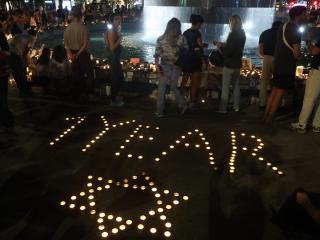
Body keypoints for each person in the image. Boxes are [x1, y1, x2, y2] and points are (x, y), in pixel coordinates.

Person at [263, 6, 307, 123]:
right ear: (298, 16)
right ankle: (269, 119)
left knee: (274, 90)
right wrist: (300, 55)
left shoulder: (283, 26)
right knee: (280, 92)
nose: (306, 16)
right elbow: (296, 53)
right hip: (287, 66)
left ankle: (265, 116)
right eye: (304, 14)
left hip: (277, 64)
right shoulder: (295, 30)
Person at [154, 18, 188, 117]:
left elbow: (156, 55)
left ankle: (159, 112)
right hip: (177, 66)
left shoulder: (160, 39)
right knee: (173, 87)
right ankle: (182, 105)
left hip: (164, 66)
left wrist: (157, 68)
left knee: (162, 89)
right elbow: (186, 51)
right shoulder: (182, 38)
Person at [214, 15, 246, 113]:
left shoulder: (233, 34)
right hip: (237, 63)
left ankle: (222, 109)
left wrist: (220, 47)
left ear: (232, 23)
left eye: (230, 22)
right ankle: (236, 107)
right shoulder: (242, 34)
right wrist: (225, 44)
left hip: (229, 64)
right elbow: (235, 47)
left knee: (225, 87)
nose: (229, 24)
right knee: (236, 86)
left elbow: (228, 52)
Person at [291, 30, 320, 133]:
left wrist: (308, 40)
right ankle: (317, 125)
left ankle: (301, 124)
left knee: (309, 98)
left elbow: (313, 51)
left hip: (318, 71)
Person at [64, 6, 95, 102]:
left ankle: (77, 94)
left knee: (77, 74)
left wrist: (71, 55)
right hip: (82, 54)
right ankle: (88, 93)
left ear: (73, 16)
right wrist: (77, 54)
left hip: (72, 54)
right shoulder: (83, 28)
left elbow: (66, 45)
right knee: (89, 73)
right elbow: (85, 44)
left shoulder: (67, 28)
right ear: (81, 16)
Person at [180, 14, 206, 109]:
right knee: (194, 83)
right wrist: (203, 60)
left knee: (184, 81)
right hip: (195, 60)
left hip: (186, 59)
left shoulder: (185, 33)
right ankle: (192, 102)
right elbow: (199, 47)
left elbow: (182, 47)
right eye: (201, 24)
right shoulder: (198, 33)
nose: (201, 26)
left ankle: (180, 100)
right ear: (198, 23)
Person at [258, 21, 282, 110]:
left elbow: (260, 50)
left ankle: (262, 104)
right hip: (278, 59)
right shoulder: (282, 34)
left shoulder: (264, 33)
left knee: (264, 82)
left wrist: (265, 57)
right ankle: (276, 104)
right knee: (278, 82)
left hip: (267, 58)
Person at [9, 29, 37, 97]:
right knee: (21, 73)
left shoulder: (20, 35)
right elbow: (25, 51)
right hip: (15, 55)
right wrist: (27, 63)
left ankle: (21, 91)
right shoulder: (32, 38)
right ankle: (25, 91)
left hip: (8, 54)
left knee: (16, 73)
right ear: (35, 35)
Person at [105, 12, 124, 106]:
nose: (119, 20)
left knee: (120, 77)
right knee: (116, 78)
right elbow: (112, 48)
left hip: (115, 57)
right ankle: (113, 100)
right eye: (116, 19)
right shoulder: (112, 31)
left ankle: (115, 96)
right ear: (112, 21)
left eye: (119, 18)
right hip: (113, 57)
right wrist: (119, 40)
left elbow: (107, 42)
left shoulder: (114, 29)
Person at [0, 16, 12, 130]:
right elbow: (6, 50)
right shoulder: (0, 34)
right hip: (1, 71)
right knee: (3, 97)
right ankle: (5, 119)